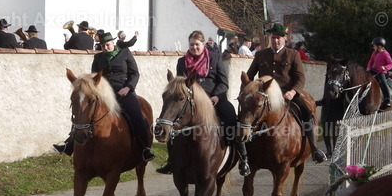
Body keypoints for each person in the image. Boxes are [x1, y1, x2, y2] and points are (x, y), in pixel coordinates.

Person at [157, 30, 250, 176]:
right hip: (191, 102)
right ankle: (171, 161)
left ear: (203, 44)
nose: (194, 47)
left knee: (230, 116)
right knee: (172, 124)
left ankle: (243, 157)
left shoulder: (215, 58)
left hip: (214, 99)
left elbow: (224, 82)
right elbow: (180, 84)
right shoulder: (182, 62)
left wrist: (216, 96)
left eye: (197, 45)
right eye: (191, 45)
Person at [54, 32, 155, 162]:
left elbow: (135, 74)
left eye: (108, 45)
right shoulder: (98, 58)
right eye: (102, 46)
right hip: (104, 94)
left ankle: (145, 148)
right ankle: (69, 145)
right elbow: (94, 78)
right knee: (83, 111)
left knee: (136, 115)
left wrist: (128, 87)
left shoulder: (125, 53)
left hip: (123, 92)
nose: (105, 48)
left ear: (113, 43)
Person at [246, 23, 327, 163]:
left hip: (286, 94)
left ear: (284, 38)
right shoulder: (260, 54)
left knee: (307, 113)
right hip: (265, 95)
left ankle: (314, 149)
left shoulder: (293, 55)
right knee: (246, 114)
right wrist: (250, 90)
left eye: (278, 38)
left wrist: (293, 92)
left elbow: (300, 78)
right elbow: (249, 76)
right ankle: (243, 150)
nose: (276, 40)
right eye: (273, 37)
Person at [367, 37, 392, 109]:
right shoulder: (374, 53)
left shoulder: (385, 54)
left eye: (374, 46)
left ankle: (387, 99)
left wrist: (385, 67)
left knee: (382, 82)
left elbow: (391, 64)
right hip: (373, 71)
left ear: (379, 46)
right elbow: (370, 61)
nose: (373, 47)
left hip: (381, 72)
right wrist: (369, 67)